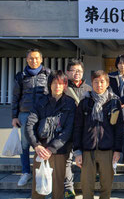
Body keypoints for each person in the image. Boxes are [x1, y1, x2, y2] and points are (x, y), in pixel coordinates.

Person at [25, 70, 76, 199]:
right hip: (40, 149)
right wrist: (36, 145)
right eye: (54, 83)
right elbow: (29, 125)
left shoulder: (70, 103)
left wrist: (51, 148)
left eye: (61, 83)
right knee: (38, 187)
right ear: (49, 84)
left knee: (58, 188)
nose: (57, 86)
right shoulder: (40, 101)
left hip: (59, 151)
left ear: (65, 85)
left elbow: (68, 130)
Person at [73, 70, 124, 199]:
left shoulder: (114, 102)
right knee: (86, 185)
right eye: (96, 82)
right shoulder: (85, 102)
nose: (99, 85)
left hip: (107, 150)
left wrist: (118, 150)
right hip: (87, 149)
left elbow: (119, 128)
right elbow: (78, 127)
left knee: (106, 186)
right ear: (92, 83)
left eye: (102, 82)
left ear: (107, 83)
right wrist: (77, 151)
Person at [12, 48, 51, 186]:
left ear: (41, 59)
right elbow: (16, 96)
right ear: (27, 59)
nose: (33, 60)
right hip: (25, 113)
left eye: (36, 58)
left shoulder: (48, 74)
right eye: (31, 58)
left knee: (43, 142)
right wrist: (14, 116)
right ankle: (26, 172)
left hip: (43, 113)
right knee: (24, 144)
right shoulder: (20, 76)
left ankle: (43, 170)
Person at [64, 59, 92, 199]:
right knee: (68, 159)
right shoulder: (62, 88)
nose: (77, 73)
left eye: (79, 71)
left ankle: (86, 184)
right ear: (68, 72)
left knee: (85, 158)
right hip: (67, 129)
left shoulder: (88, 89)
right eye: (74, 71)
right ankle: (69, 188)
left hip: (84, 130)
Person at [109, 54, 124, 163]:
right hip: (113, 107)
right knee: (113, 131)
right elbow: (109, 90)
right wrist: (117, 101)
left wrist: (123, 101)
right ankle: (113, 154)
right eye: (120, 63)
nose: (122, 65)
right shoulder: (111, 76)